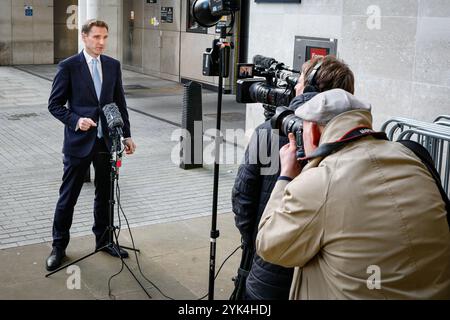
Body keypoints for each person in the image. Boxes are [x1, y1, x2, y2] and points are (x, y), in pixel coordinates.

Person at [256, 89, 450, 299]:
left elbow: (269, 244)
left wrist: (286, 176)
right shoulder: (411, 157)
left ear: (314, 131)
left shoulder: (320, 181)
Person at [232, 56, 355, 299]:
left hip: (269, 272)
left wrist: (256, 242)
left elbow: (242, 200)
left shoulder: (269, 131)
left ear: (308, 88)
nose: (295, 87)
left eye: (299, 81)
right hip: (323, 278)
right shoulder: (358, 137)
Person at [46, 19, 137, 271]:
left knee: (105, 195)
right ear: (84, 37)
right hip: (78, 143)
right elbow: (54, 105)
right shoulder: (68, 67)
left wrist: (126, 135)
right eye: (96, 37)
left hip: (106, 142)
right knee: (68, 197)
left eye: (105, 37)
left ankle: (104, 240)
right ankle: (58, 247)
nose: (101, 42)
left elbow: (119, 102)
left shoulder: (112, 65)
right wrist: (76, 120)